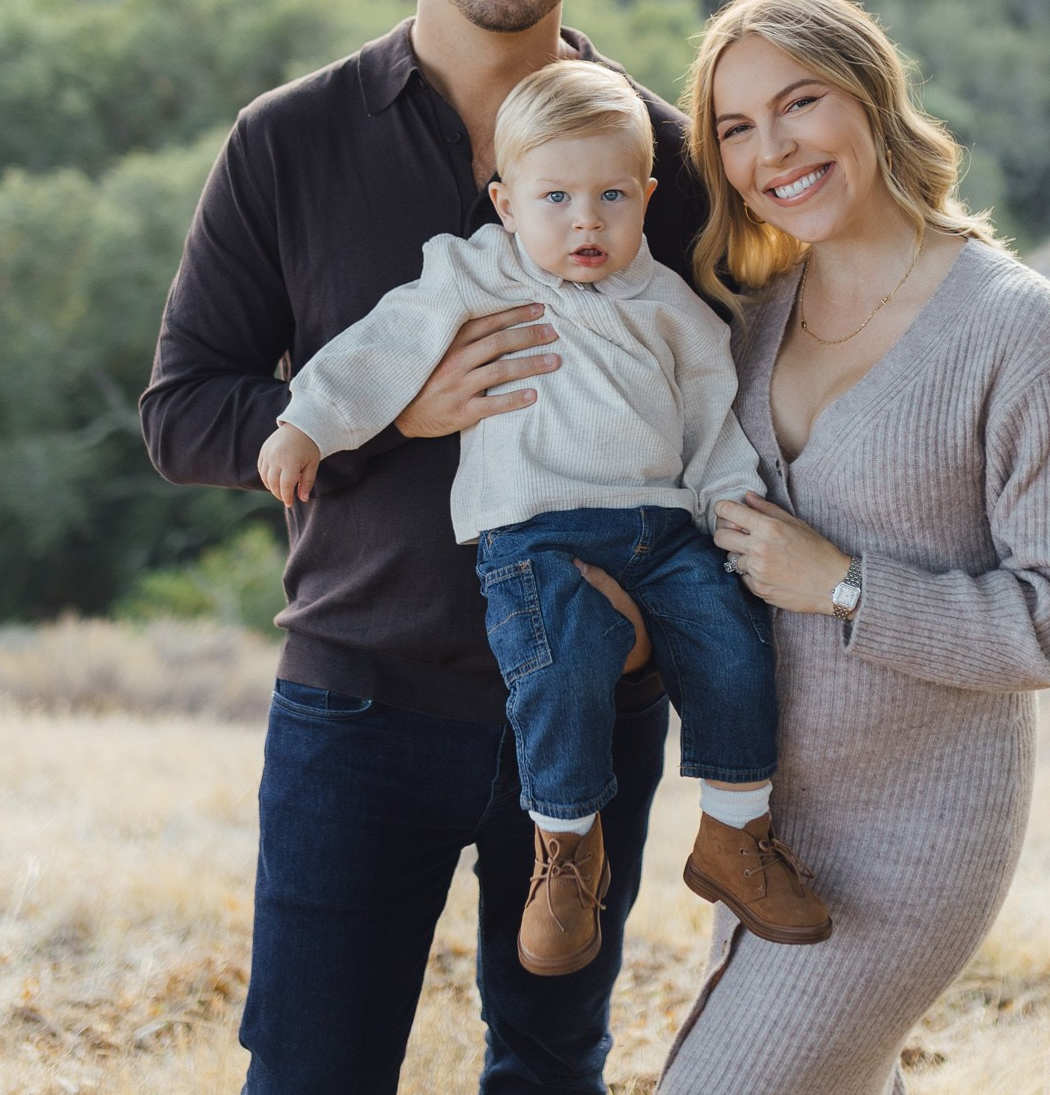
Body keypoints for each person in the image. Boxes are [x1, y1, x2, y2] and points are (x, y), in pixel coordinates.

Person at [141, 0, 696, 1093]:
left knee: (551, 1070)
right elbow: (184, 409)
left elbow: (748, 406)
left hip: (592, 709)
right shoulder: (289, 141)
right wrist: (390, 411)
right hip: (357, 705)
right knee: (310, 1074)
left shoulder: (666, 160)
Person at [629, 0, 1050, 1094]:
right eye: (735, 127)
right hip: (757, 826)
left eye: (799, 102)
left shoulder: (1017, 331)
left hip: (914, 835)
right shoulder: (752, 320)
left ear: (870, 94)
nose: (772, 150)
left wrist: (847, 586)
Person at [255, 58, 831, 978]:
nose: (585, 221)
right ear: (506, 202)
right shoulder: (480, 271)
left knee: (731, 641)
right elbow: (386, 342)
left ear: (647, 197)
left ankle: (735, 833)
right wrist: (308, 421)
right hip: (536, 531)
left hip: (663, 528)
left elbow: (711, 420)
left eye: (611, 196)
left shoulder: (671, 306)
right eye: (555, 197)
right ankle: (563, 848)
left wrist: (729, 502)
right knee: (559, 667)